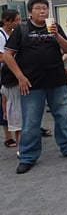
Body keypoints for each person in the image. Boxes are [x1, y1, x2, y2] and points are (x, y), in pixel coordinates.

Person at [4, 0, 67, 174]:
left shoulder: (55, 27)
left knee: (62, 116)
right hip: (32, 84)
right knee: (31, 122)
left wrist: (56, 35)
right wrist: (20, 77)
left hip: (57, 81)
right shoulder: (22, 29)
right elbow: (8, 55)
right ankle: (28, 157)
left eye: (45, 8)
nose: (42, 11)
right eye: (38, 8)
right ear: (30, 12)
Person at [0, 9, 21, 153]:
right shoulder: (0, 34)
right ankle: (8, 136)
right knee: (6, 103)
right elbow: (2, 56)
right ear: (6, 20)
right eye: (15, 20)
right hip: (5, 74)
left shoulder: (14, 33)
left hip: (14, 71)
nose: (18, 23)